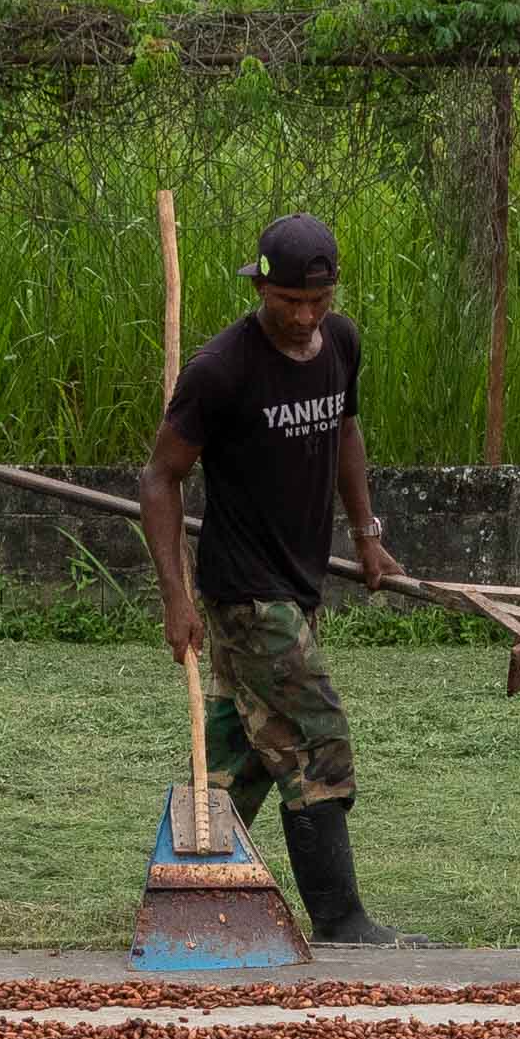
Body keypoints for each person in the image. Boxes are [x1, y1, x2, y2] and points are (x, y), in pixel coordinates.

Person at [140, 211, 421, 947]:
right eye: (287, 302)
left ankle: (186, 895)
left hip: (298, 584)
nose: (302, 317)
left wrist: (367, 536)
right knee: (316, 733)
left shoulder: (343, 344)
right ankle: (339, 918)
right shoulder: (221, 370)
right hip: (244, 590)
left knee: (246, 748)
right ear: (260, 286)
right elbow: (158, 479)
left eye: (316, 303)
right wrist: (176, 600)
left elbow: (346, 432)